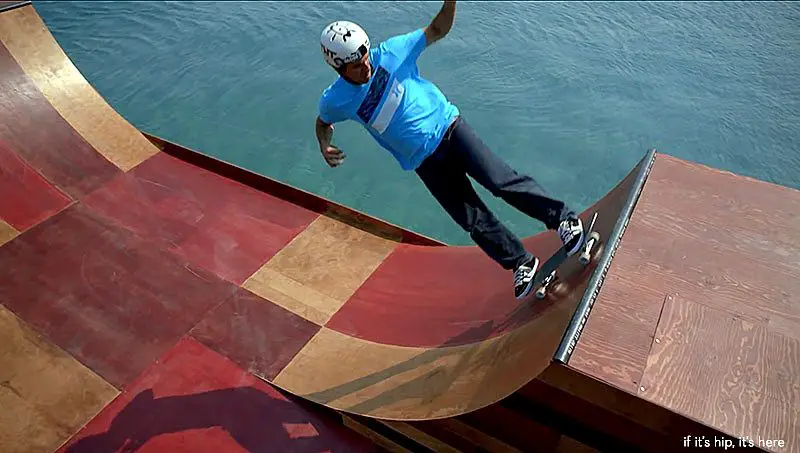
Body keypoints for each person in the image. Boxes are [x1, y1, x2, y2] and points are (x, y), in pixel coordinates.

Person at [314, 0, 584, 299]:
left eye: (365, 55)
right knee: (471, 219)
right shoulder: (335, 100)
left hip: (451, 129)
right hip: (423, 161)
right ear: (337, 67)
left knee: (501, 181)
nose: (365, 64)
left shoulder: (391, 52)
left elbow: (437, 29)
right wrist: (324, 144)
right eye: (356, 64)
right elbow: (323, 122)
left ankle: (563, 220)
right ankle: (521, 262)